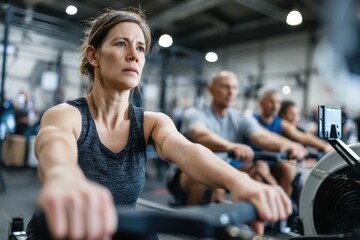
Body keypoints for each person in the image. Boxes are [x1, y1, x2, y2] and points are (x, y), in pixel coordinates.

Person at [25, 8, 292, 239]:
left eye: (140, 48)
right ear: (93, 56)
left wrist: (239, 182)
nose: (134, 55)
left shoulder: (151, 122)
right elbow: (54, 145)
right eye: (121, 44)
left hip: (124, 229)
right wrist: (64, 179)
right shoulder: (66, 114)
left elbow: (187, 151)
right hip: (65, 229)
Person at [168, 71, 307, 208]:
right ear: (211, 90)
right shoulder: (196, 113)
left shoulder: (239, 117)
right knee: (201, 175)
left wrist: (287, 146)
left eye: (234, 88)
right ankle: (192, 225)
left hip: (224, 170)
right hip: (185, 172)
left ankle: (265, 217)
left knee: (259, 169)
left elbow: (261, 136)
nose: (231, 92)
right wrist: (230, 146)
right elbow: (201, 135)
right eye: (225, 87)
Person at [256, 89, 333, 154]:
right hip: (256, 160)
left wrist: (325, 145)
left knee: (287, 166)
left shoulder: (280, 123)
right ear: (261, 102)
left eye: (278, 102)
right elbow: (267, 137)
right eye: (271, 102)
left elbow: (301, 136)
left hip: (274, 161)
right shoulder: (253, 120)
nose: (275, 106)